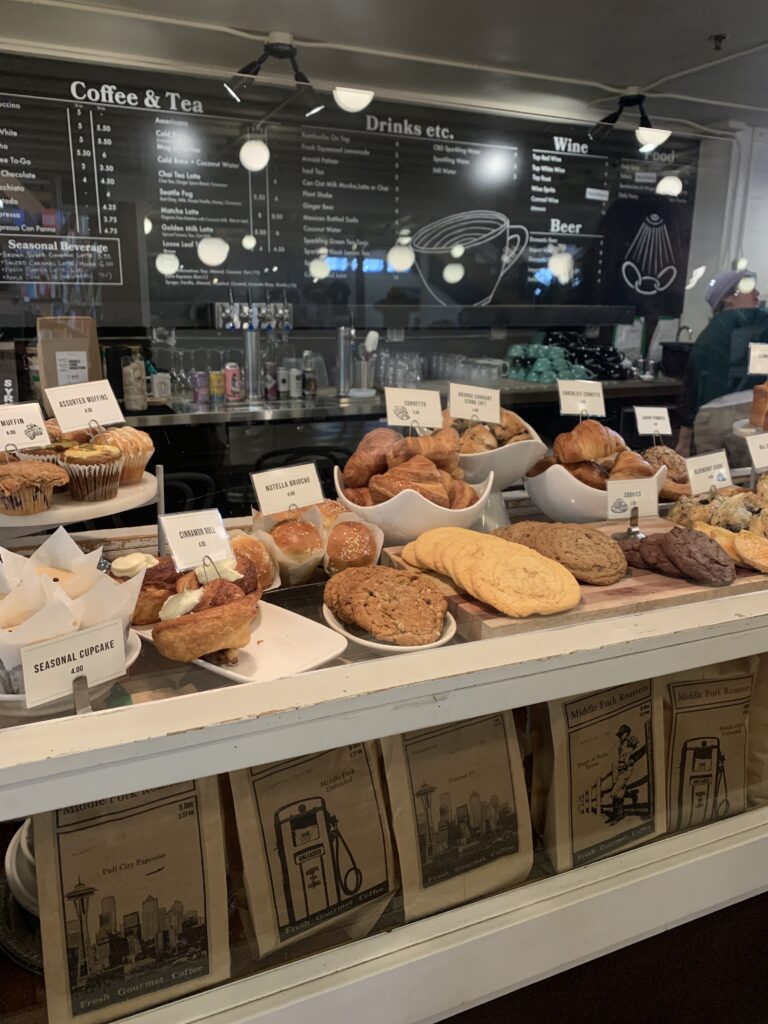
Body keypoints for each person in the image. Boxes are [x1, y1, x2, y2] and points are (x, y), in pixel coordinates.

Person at [676, 270, 768, 456]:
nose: (757, 293)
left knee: (718, 483)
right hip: (750, 421)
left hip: (708, 424)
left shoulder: (707, 337)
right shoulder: (762, 324)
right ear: (727, 298)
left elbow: (690, 392)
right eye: (748, 288)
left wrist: (683, 443)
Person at [606, 723, 640, 825]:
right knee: (619, 793)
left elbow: (638, 748)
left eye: (622, 734)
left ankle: (618, 814)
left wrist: (631, 759)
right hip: (620, 770)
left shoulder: (631, 740)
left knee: (614, 793)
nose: (620, 736)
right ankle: (618, 814)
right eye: (620, 734)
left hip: (626, 770)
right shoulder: (621, 744)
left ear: (627, 733)